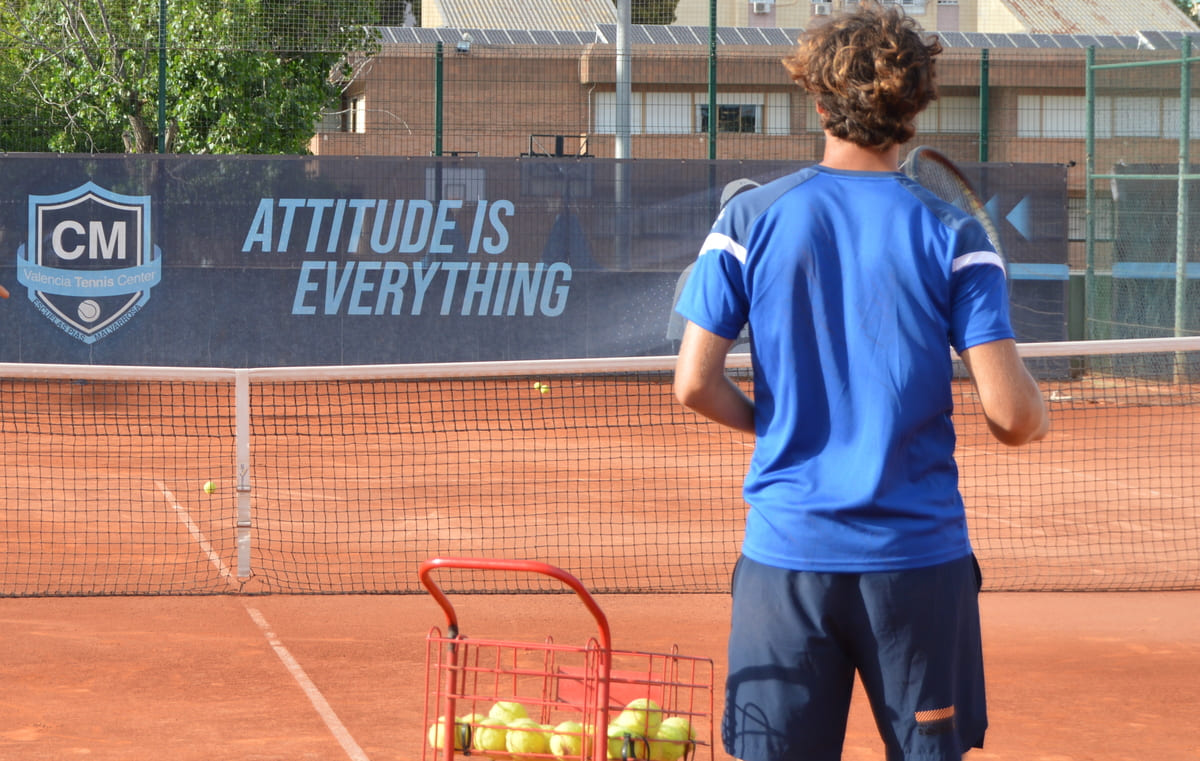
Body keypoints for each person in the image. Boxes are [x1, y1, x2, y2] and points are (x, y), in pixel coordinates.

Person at [671, 4, 1048, 761]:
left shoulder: (749, 218)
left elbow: (693, 384)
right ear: (914, 110)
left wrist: (783, 423)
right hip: (917, 563)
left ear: (816, 102)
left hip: (786, 563)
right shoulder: (953, 234)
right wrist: (1036, 408)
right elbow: (1011, 415)